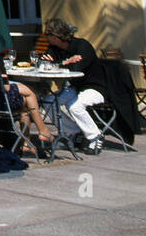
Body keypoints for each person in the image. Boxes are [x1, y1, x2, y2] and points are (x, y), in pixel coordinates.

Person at [40, 17, 107, 154]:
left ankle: (95, 136)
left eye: (47, 34)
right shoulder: (54, 48)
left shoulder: (82, 46)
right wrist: (64, 63)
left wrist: (60, 64)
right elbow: (43, 64)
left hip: (95, 87)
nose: (45, 37)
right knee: (48, 102)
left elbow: (77, 68)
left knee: (75, 106)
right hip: (75, 88)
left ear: (56, 35)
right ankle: (73, 132)